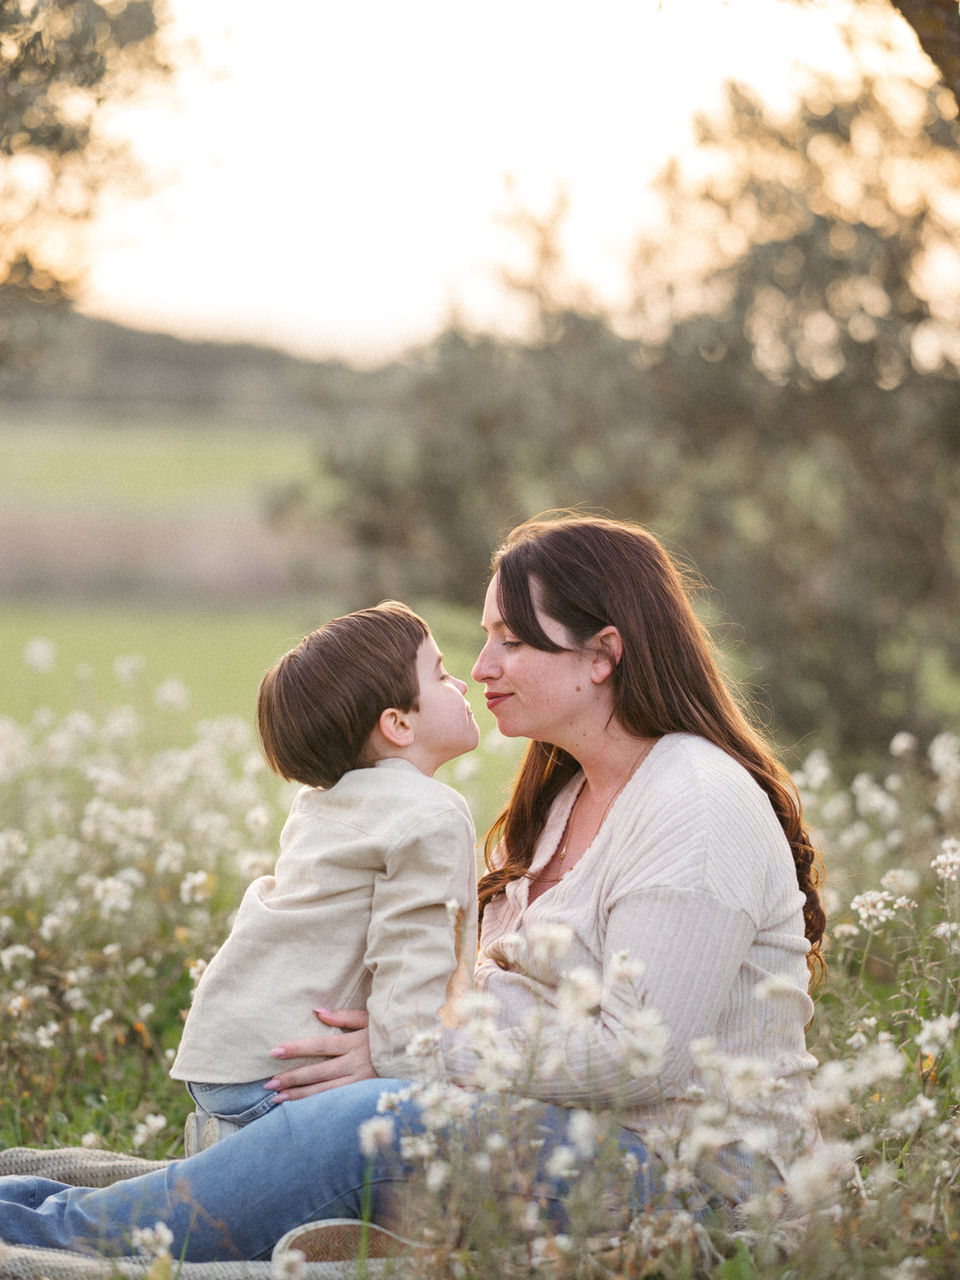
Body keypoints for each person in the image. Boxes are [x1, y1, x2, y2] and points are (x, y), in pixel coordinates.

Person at [0, 514, 826, 1263]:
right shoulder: (559, 799)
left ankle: (53, 1240)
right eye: (482, 639)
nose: (483, 667)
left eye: (513, 641)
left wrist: (409, 1056)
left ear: (603, 653)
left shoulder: (696, 804)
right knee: (302, 1146)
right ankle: (50, 1212)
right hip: (546, 1138)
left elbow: (637, 1060)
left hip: (686, 1179)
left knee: (366, 1125)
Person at [170, 601, 480, 1152]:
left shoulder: (322, 803)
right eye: (440, 674)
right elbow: (414, 950)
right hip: (288, 1075)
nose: (462, 681)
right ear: (399, 724)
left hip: (229, 1055)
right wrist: (411, 1066)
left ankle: (227, 1142)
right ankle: (240, 1155)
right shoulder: (431, 814)